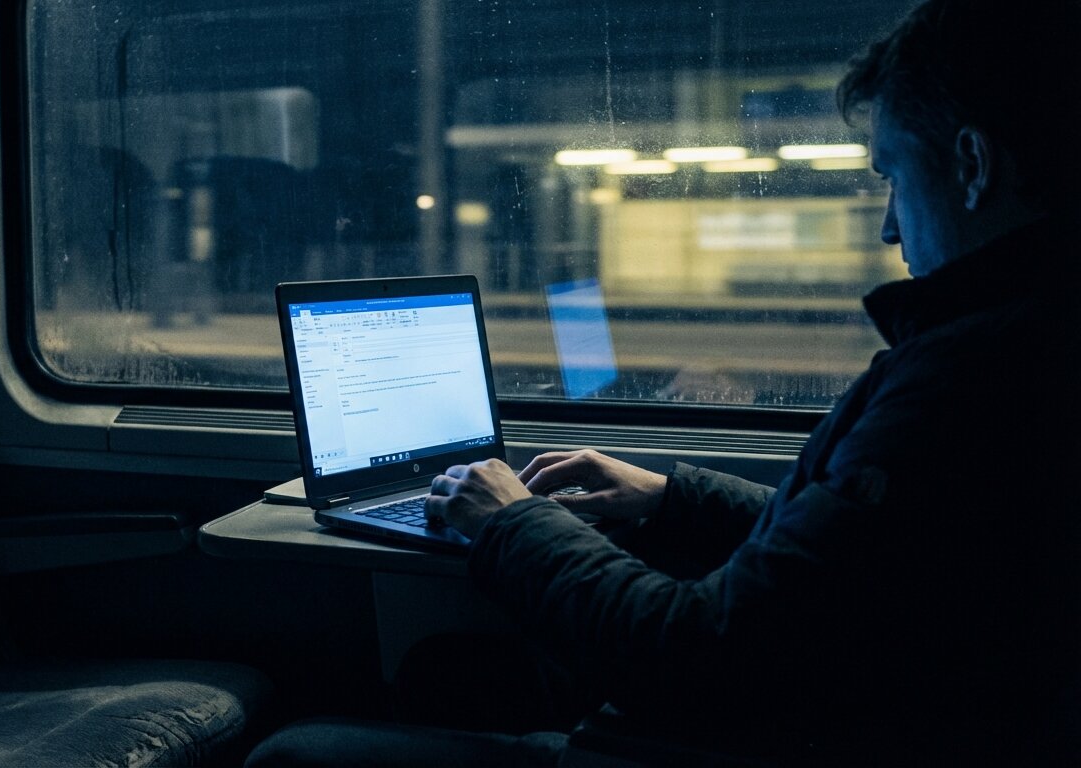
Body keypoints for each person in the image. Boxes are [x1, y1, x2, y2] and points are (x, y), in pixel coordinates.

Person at [247, 0, 1081, 764]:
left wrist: (515, 523)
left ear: (971, 164)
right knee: (450, 668)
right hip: (814, 715)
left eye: (892, 176)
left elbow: (701, 652)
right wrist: (672, 496)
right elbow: (850, 565)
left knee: (294, 752)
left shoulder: (972, 379)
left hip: (733, 739)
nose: (891, 225)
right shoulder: (1006, 345)